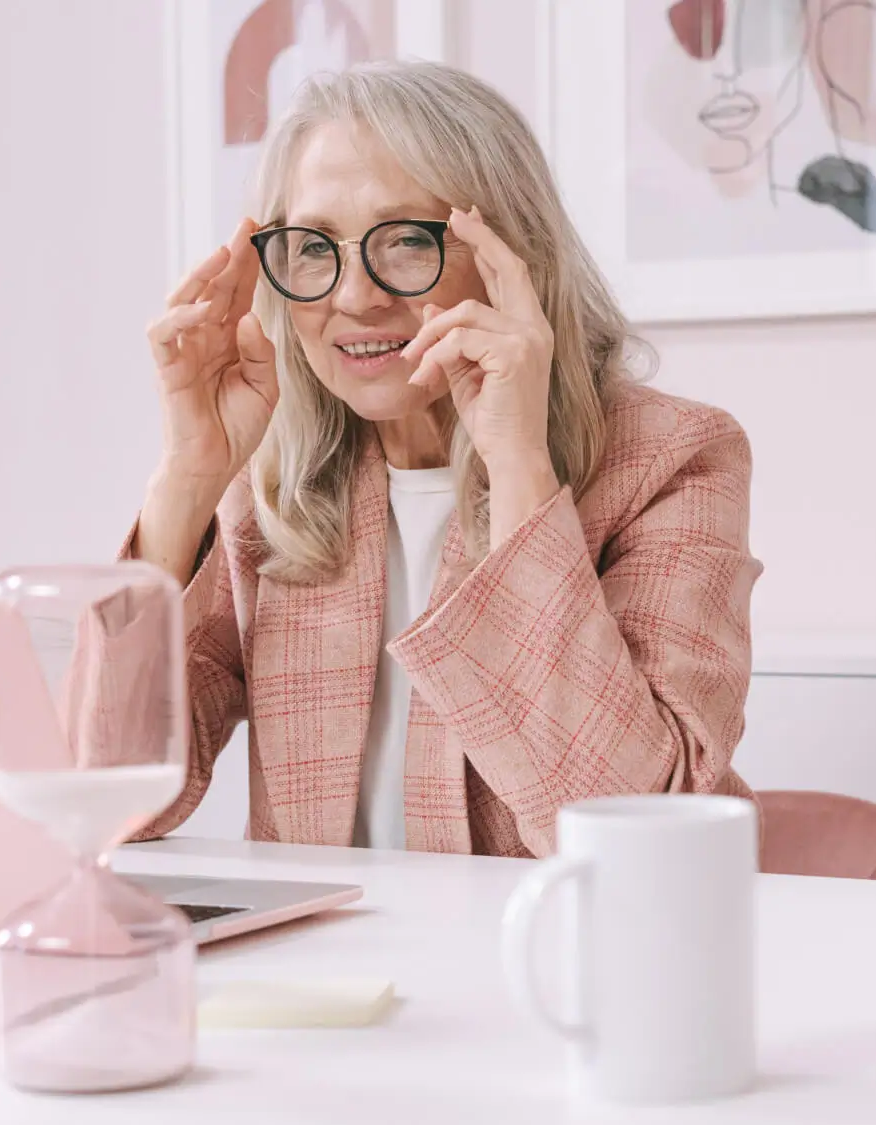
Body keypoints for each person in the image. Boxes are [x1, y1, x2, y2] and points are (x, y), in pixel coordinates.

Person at [127, 61, 761, 858]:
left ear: (512, 257)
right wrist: (185, 479)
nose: (354, 296)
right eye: (315, 248)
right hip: (331, 975)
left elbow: (640, 837)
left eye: (404, 242)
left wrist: (520, 465)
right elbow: (114, 801)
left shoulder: (671, 459)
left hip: (564, 966)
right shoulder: (273, 483)